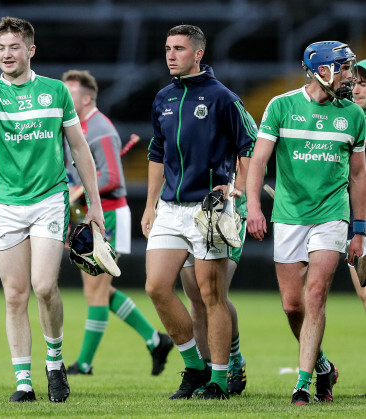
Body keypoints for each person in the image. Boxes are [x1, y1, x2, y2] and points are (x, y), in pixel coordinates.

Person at [0, 17, 105, 403]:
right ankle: (23, 383)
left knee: (44, 286)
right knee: (15, 296)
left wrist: (93, 204)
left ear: (30, 50)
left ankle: (54, 360)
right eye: (1, 48)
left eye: (14, 47)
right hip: (8, 206)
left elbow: (80, 149)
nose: (6, 54)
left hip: (49, 198)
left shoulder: (55, 92)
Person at [247, 41, 366, 405]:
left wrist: (358, 229)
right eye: (343, 69)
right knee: (292, 307)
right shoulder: (281, 106)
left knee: (315, 294)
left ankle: (302, 384)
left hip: (331, 216)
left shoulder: (354, 116)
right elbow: (258, 161)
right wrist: (253, 205)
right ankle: (324, 365)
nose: (350, 78)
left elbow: (359, 176)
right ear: (322, 70)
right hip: (288, 217)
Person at [141, 24, 255, 400]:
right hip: (170, 209)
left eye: (178, 49)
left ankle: (219, 380)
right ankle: (194, 367)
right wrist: (150, 205)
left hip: (208, 210)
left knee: (210, 296)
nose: (170, 54)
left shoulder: (223, 98)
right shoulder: (162, 98)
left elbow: (247, 149)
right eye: (168, 48)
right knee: (157, 287)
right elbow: (157, 154)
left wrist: (238, 189)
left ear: (198, 54)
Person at [60, 69, 173, 377]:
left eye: (68, 94)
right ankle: (155, 340)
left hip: (107, 216)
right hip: (89, 217)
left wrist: (78, 190)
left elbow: (110, 177)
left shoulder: (100, 129)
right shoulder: (78, 126)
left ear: (86, 98)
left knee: (96, 292)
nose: (62, 99)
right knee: (100, 291)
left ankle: (83, 364)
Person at [179, 186, 250, 396]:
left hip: (224, 214)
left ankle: (234, 359)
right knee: (195, 298)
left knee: (215, 294)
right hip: (184, 212)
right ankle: (207, 371)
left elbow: (248, 165)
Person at [348, 59, 366, 311]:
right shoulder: (349, 122)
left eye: (363, 84)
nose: (355, 90)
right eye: (354, 84)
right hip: (358, 223)